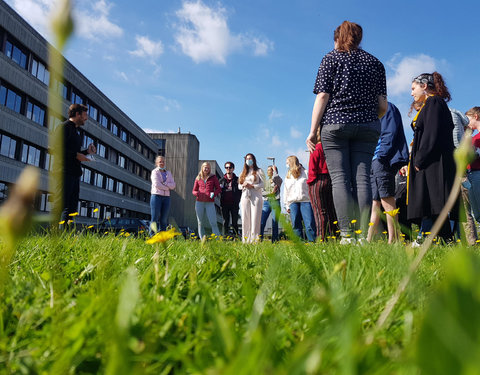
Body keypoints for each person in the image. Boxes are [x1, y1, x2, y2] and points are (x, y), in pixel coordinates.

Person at [306, 20, 387, 243]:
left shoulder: (330, 58)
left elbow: (322, 96)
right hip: (368, 125)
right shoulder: (375, 63)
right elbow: (383, 106)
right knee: (362, 179)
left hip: (335, 124)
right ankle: (363, 236)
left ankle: (347, 235)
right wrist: (367, 120)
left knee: (340, 179)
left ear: (337, 38)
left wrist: (313, 131)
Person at [407, 72, 458, 242]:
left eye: (414, 88)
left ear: (424, 86)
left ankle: (433, 238)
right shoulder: (431, 104)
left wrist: (420, 158)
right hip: (432, 160)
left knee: (434, 199)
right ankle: (442, 240)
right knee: (432, 200)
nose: (411, 93)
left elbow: (431, 132)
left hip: (435, 161)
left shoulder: (434, 102)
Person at [367, 102, 409, 243]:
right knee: (375, 202)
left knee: (387, 198)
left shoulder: (387, 107)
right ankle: (368, 239)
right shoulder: (371, 110)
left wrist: (381, 155)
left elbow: (390, 133)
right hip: (373, 160)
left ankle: (394, 240)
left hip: (381, 160)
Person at [54, 103, 96, 221]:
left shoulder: (76, 132)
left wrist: (87, 152)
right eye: (85, 115)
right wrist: (76, 155)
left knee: (71, 208)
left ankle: (66, 236)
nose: (86, 118)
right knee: (60, 204)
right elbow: (56, 148)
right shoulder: (64, 127)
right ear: (77, 114)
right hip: (64, 171)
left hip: (75, 173)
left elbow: (74, 153)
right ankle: (53, 234)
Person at [307, 131, 337, 241]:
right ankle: (334, 235)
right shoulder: (330, 148)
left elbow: (312, 167)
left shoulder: (316, 148)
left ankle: (321, 238)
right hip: (329, 179)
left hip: (317, 180)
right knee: (330, 210)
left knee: (319, 211)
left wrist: (310, 182)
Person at [284, 156, 316, 242]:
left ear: (292, 162)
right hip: (293, 202)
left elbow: (310, 187)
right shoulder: (288, 176)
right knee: (295, 224)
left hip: (305, 201)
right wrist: (286, 205)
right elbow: (286, 191)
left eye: (287, 162)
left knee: (309, 224)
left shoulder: (305, 172)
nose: (286, 165)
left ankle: (312, 242)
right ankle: (299, 243)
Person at [238, 153, 264, 243]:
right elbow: (239, 186)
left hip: (256, 196)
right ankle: (245, 241)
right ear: (245, 160)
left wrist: (252, 186)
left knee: (255, 219)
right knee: (245, 218)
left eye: (250, 158)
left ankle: (255, 241)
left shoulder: (259, 171)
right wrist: (244, 185)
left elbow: (263, 184)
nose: (249, 160)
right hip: (245, 195)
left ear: (254, 160)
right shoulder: (243, 173)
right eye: (247, 158)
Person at [192, 162, 221, 239]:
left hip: (209, 203)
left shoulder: (213, 177)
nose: (206, 169)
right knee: (200, 222)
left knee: (213, 222)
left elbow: (218, 189)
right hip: (199, 202)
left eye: (208, 167)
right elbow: (194, 190)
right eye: (205, 167)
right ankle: (202, 239)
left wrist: (214, 194)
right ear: (202, 168)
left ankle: (217, 239)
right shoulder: (198, 178)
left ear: (210, 169)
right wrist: (197, 193)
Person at [150, 155, 175, 233]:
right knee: (155, 218)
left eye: (163, 161)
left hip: (166, 198)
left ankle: (163, 236)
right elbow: (157, 184)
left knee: (164, 219)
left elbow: (173, 185)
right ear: (157, 163)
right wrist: (168, 187)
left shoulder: (168, 173)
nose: (162, 163)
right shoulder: (154, 172)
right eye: (160, 161)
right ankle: (152, 236)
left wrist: (165, 183)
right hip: (156, 196)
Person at [260, 165, 283, 242]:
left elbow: (278, 180)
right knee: (262, 221)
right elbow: (262, 193)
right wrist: (271, 193)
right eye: (267, 170)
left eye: (270, 170)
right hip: (266, 202)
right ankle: (260, 239)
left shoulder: (278, 180)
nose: (268, 171)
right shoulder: (265, 182)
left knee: (274, 222)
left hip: (275, 202)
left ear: (273, 171)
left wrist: (276, 172)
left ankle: (275, 240)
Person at [466, 107, 480, 226]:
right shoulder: (472, 139)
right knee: (477, 212)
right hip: (470, 174)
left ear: (476, 116)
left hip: (478, 173)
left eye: (468, 119)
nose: (466, 122)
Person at [219, 161, 242, 236]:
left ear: (233, 169)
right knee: (225, 221)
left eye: (230, 167)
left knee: (234, 221)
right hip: (224, 204)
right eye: (226, 167)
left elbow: (241, 191)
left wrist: (238, 199)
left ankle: (236, 236)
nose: (228, 169)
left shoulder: (237, 180)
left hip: (234, 204)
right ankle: (225, 237)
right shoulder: (221, 180)